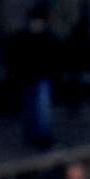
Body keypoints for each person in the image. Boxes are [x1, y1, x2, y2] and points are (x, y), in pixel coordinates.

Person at [10, 11, 64, 151]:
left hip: (37, 77)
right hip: (34, 76)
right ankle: (38, 135)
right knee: (37, 108)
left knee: (37, 107)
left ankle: (37, 135)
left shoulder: (31, 37)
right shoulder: (36, 37)